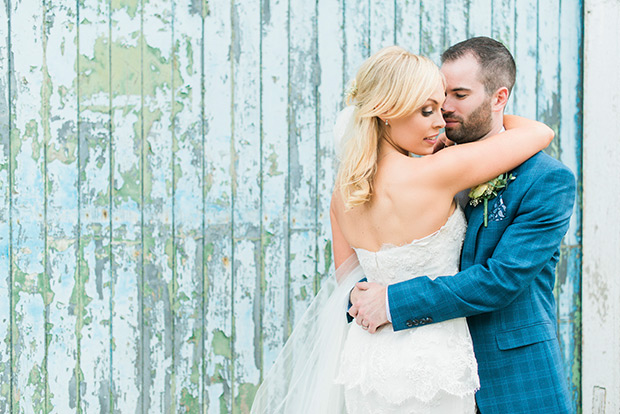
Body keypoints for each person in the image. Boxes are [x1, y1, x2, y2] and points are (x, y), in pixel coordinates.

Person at [251, 44, 554, 414]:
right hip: (434, 363)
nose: (442, 121)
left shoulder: (343, 194)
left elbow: (349, 285)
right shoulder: (438, 173)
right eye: (428, 110)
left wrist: (380, 298)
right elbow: (539, 132)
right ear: (386, 112)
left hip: (370, 359)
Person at [349, 37, 575, 413]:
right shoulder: (421, 161)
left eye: (459, 94)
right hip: (422, 374)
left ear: (499, 98)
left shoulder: (546, 179)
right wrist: (358, 299)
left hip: (511, 374)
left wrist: (390, 302)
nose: (445, 109)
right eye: (440, 96)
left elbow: (501, 280)